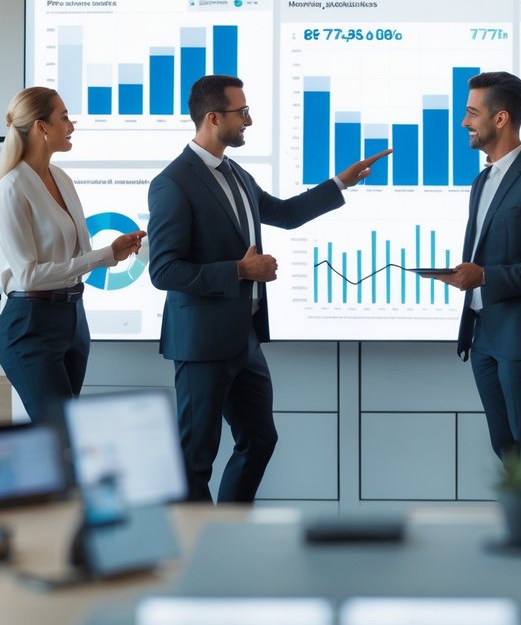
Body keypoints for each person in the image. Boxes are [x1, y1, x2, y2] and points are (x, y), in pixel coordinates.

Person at [148, 75, 389, 502]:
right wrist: (239, 271)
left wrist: (340, 183)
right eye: (241, 112)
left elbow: (286, 214)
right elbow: (164, 271)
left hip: (244, 337)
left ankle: (229, 528)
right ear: (212, 117)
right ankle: (199, 540)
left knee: (260, 439)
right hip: (202, 342)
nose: (249, 120)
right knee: (196, 458)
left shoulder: (236, 173)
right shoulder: (173, 182)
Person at [433, 72, 521, 458]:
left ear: (500, 118)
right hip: (484, 336)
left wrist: (486, 277)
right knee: (504, 448)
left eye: (472, 113)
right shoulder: (483, 180)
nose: (464, 121)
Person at [0, 87, 144, 423]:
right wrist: (103, 256)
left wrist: (112, 252)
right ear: (41, 126)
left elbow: (79, 258)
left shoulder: (61, 178)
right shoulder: (11, 189)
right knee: (61, 435)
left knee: (69, 434)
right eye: (64, 118)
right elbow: (29, 276)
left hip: (73, 318)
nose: (71, 126)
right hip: (30, 325)